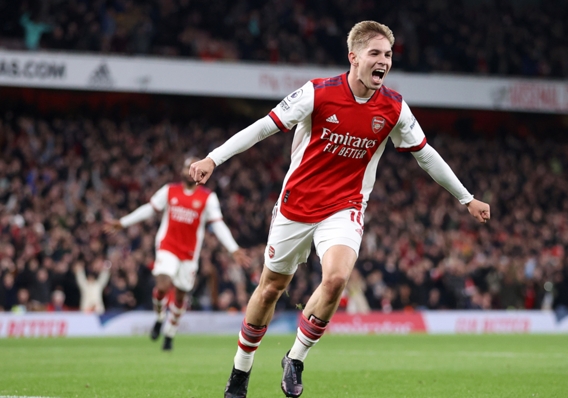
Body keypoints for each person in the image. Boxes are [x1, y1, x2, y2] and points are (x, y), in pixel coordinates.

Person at [189, 21, 490, 398]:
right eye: (376, 54)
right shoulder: (317, 93)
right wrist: (213, 159)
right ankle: (240, 370)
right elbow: (263, 128)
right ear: (354, 57)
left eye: (388, 55)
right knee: (270, 289)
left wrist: (466, 198)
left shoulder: (393, 107)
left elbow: (426, 157)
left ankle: (295, 358)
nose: (384, 62)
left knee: (335, 280)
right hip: (296, 206)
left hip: (344, 207)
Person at [104, 157, 249, 351]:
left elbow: (218, 224)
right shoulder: (169, 190)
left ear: (200, 172)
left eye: (193, 168)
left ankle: (170, 333)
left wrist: (233, 248)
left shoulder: (207, 197)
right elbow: (150, 208)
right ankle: (159, 317)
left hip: (189, 255)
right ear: (182, 171)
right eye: (186, 167)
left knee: (180, 297)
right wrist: (124, 222)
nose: (189, 171)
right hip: (167, 246)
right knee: (162, 285)